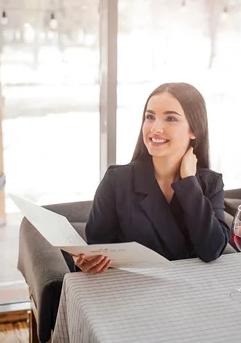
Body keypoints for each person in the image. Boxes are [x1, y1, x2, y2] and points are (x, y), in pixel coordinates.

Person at [74, 82, 230, 274]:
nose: (155, 128)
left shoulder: (210, 183)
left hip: (190, 293)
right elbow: (96, 248)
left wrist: (189, 182)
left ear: (194, 130)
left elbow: (211, 249)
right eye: (150, 117)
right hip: (130, 290)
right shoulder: (116, 181)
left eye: (171, 118)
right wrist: (87, 263)